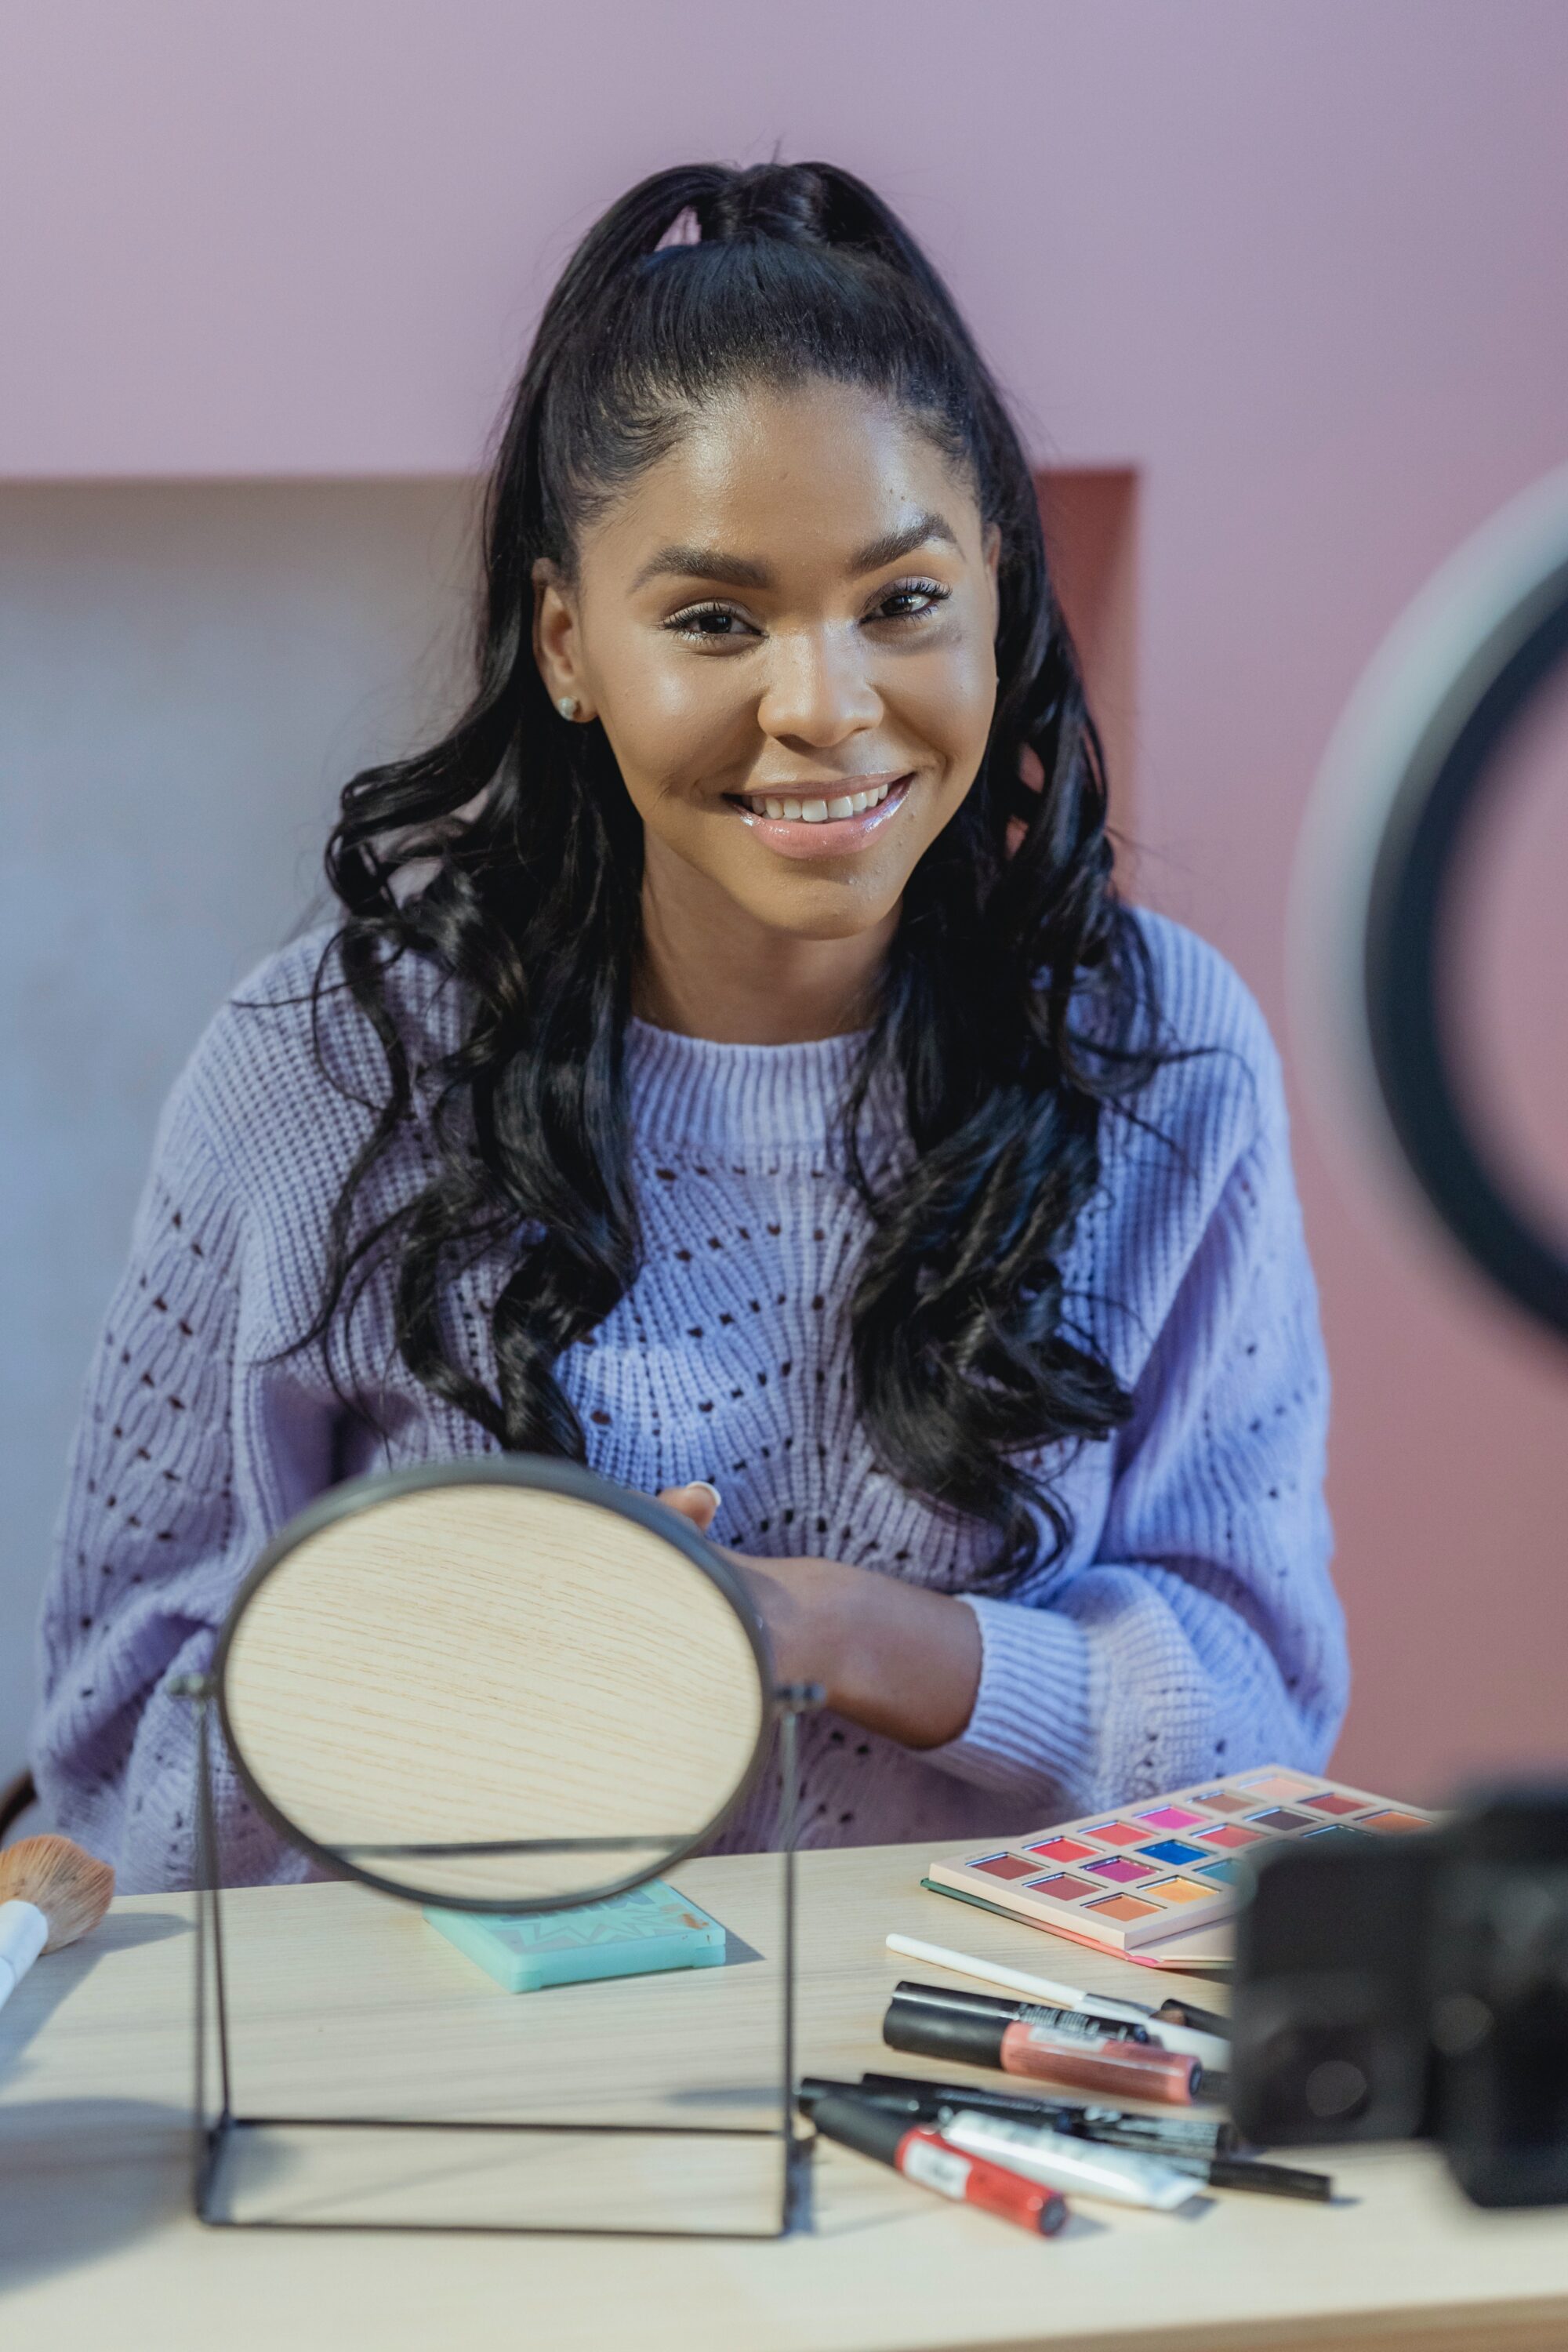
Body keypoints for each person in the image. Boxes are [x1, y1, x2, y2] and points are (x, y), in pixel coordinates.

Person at [34, 162, 1347, 1893]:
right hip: (454, 2097)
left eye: (902, 603)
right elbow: (118, 1749)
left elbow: (1261, 1712)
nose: (825, 707)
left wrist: (839, 1637)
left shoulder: (1160, 1054)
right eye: (716, 620)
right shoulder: (321, 1074)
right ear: (570, 642)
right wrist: (466, 1672)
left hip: (961, 2077)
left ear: (999, 590)